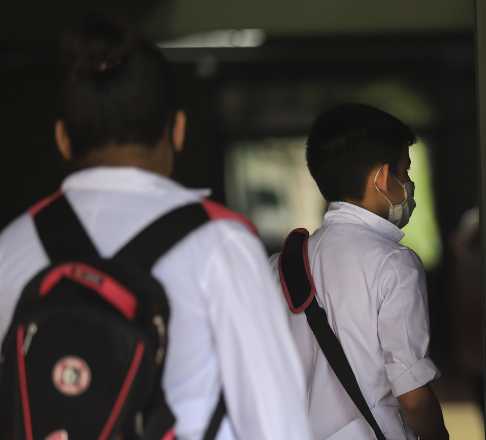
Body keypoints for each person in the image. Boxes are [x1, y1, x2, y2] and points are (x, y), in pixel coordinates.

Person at [0, 18, 312, 439]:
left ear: (62, 138)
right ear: (177, 131)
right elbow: (277, 425)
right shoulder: (220, 243)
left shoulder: (11, 247)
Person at [276, 103, 448, 439]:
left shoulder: (283, 265)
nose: (408, 184)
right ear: (382, 178)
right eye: (405, 172)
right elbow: (413, 397)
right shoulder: (394, 264)